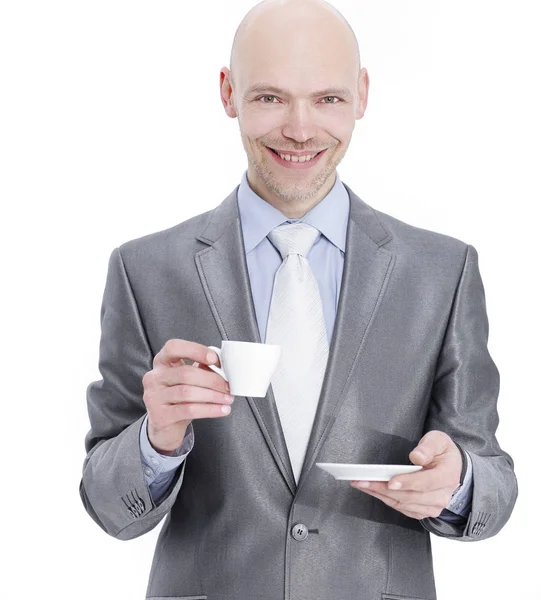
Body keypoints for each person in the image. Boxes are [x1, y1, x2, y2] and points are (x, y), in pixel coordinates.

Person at [79, 0, 518, 598]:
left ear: (362, 95)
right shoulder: (146, 270)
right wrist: (157, 438)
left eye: (328, 99)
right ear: (228, 92)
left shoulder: (442, 271)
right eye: (269, 97)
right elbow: (110, 508)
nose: (301, 128)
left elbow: (491, 475)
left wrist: (459, 483)